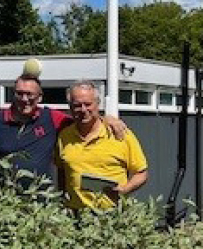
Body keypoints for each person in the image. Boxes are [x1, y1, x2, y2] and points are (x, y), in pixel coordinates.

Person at [0, 73, 126, 185]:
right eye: (20, 93)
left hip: (41, 203)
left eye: (29, 94)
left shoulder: (51, 118)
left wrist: (107, 118)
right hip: (5, 202)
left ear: (39, 97)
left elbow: (83, 117)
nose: (24, 99)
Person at [55, 81, 148, 210]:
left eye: (88, 104)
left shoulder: (119, 133)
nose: (83, 110)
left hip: (112, 216)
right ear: (70, 107)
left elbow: (141, 173)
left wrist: (125, 189)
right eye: (77, 105)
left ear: (98, 104)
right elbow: (62, 171)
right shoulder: (64, 136)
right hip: (75, 217)